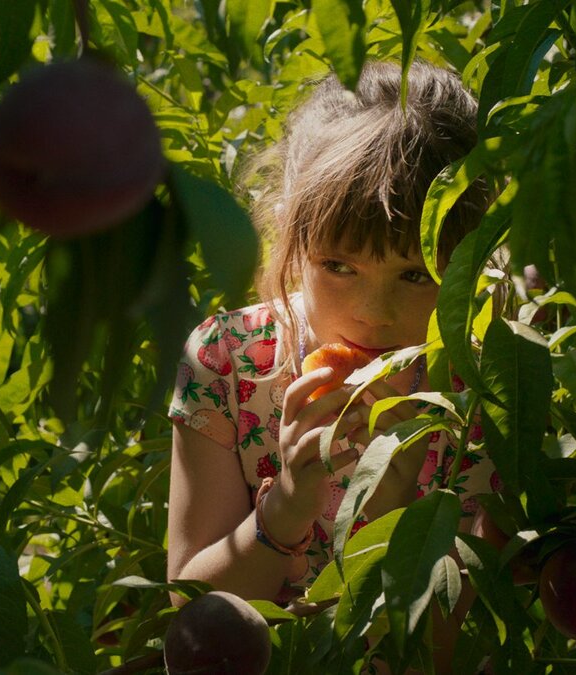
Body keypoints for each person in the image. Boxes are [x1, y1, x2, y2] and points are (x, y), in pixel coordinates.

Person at [166, 60, 499, 672]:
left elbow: (448, 651)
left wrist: (392, 511)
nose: (373, 313)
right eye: (340, 267)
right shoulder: (229, 365)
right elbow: (191, 621)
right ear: (292, 238)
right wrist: (287, 505)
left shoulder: (483, 391)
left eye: (415, 274)